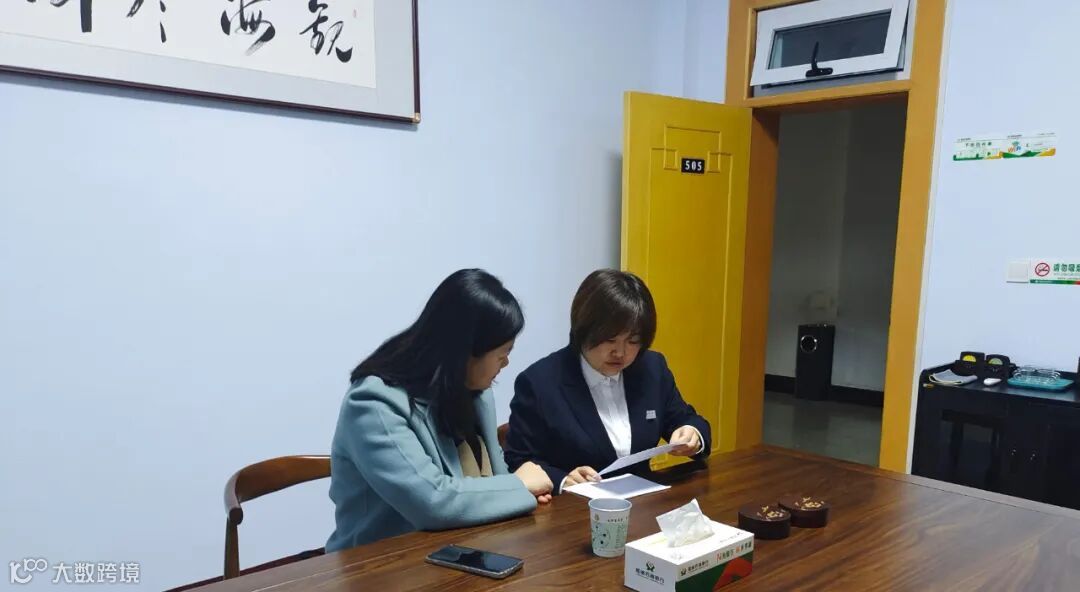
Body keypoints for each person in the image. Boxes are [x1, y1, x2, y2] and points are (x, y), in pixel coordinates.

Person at [326, 269, 552, 552]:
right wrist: (518, 486)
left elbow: (495, 478)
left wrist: (518, 491)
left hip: (463, 548)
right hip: (382, 562)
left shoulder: (476, 392)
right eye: (503, 352)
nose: (506, 363)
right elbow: (433, 501)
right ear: (466, 351)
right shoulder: (373, 404)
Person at [504, 269, 711, 494]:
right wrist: (562, 479)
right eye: (610, 339)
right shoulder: (539, 383)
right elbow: (518, 461)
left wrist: (691, 433)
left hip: (643, 502)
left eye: (633, 341)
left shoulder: (652, 369)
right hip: (575, 507)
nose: (620, 352)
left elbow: (686, 419)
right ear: (584, 330)